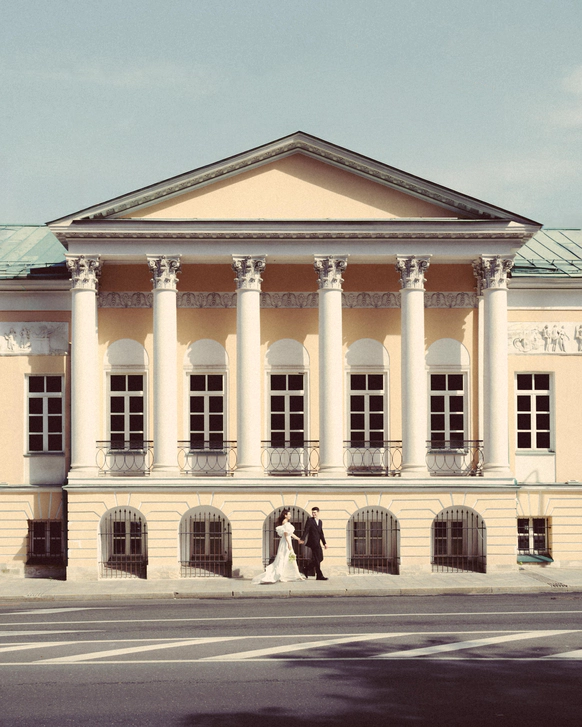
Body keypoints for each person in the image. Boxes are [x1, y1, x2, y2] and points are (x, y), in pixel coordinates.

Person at [252, 509, 306, 584]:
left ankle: (297, 575)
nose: (290, 515)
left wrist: (298, 539)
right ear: (285, 515)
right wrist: (289, 544)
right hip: (286, 543)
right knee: (286, 558)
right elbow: (286, 534)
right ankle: (284, 574)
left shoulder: (287, 523)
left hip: (287, 541)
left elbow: (290, 534)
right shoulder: (285, 522)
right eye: (289, 514)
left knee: (291, 558)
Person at [302, 506, 328, 580]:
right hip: (313, 542)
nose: (314, 514)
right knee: (317, 558)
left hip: (318, 542)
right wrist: (302, 539)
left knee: (320, 558)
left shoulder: (320, 522)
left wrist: (324, 543)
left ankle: (306, 569)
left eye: (315, 512)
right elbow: (306, 530)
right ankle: (319, 575)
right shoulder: (310, 520)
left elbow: (321, 533)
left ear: (318, 512)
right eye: (312, 512)